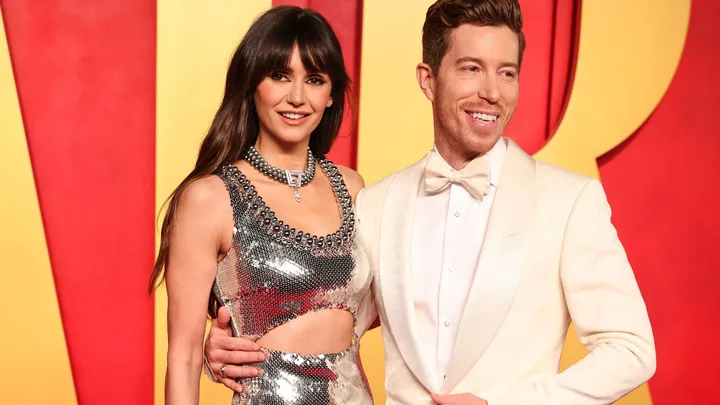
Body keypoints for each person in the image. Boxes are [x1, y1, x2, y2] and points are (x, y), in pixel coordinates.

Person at [203, 0, 657, 404]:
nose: (492, 93)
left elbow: (631, 350)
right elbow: (332, 312)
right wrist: (237, 344)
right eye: (471, 68)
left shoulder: (568, 200)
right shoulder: (376, 203)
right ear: (428, 79)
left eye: (507, 72)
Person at [149, 5, 378, 405]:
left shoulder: (353, 188)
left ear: (330, 96)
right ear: (252, 82)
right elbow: (183, 358)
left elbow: (386, 308)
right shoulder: (209, 199)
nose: (297, 97)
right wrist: (213, 348)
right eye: (279, 75)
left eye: (315, 79)